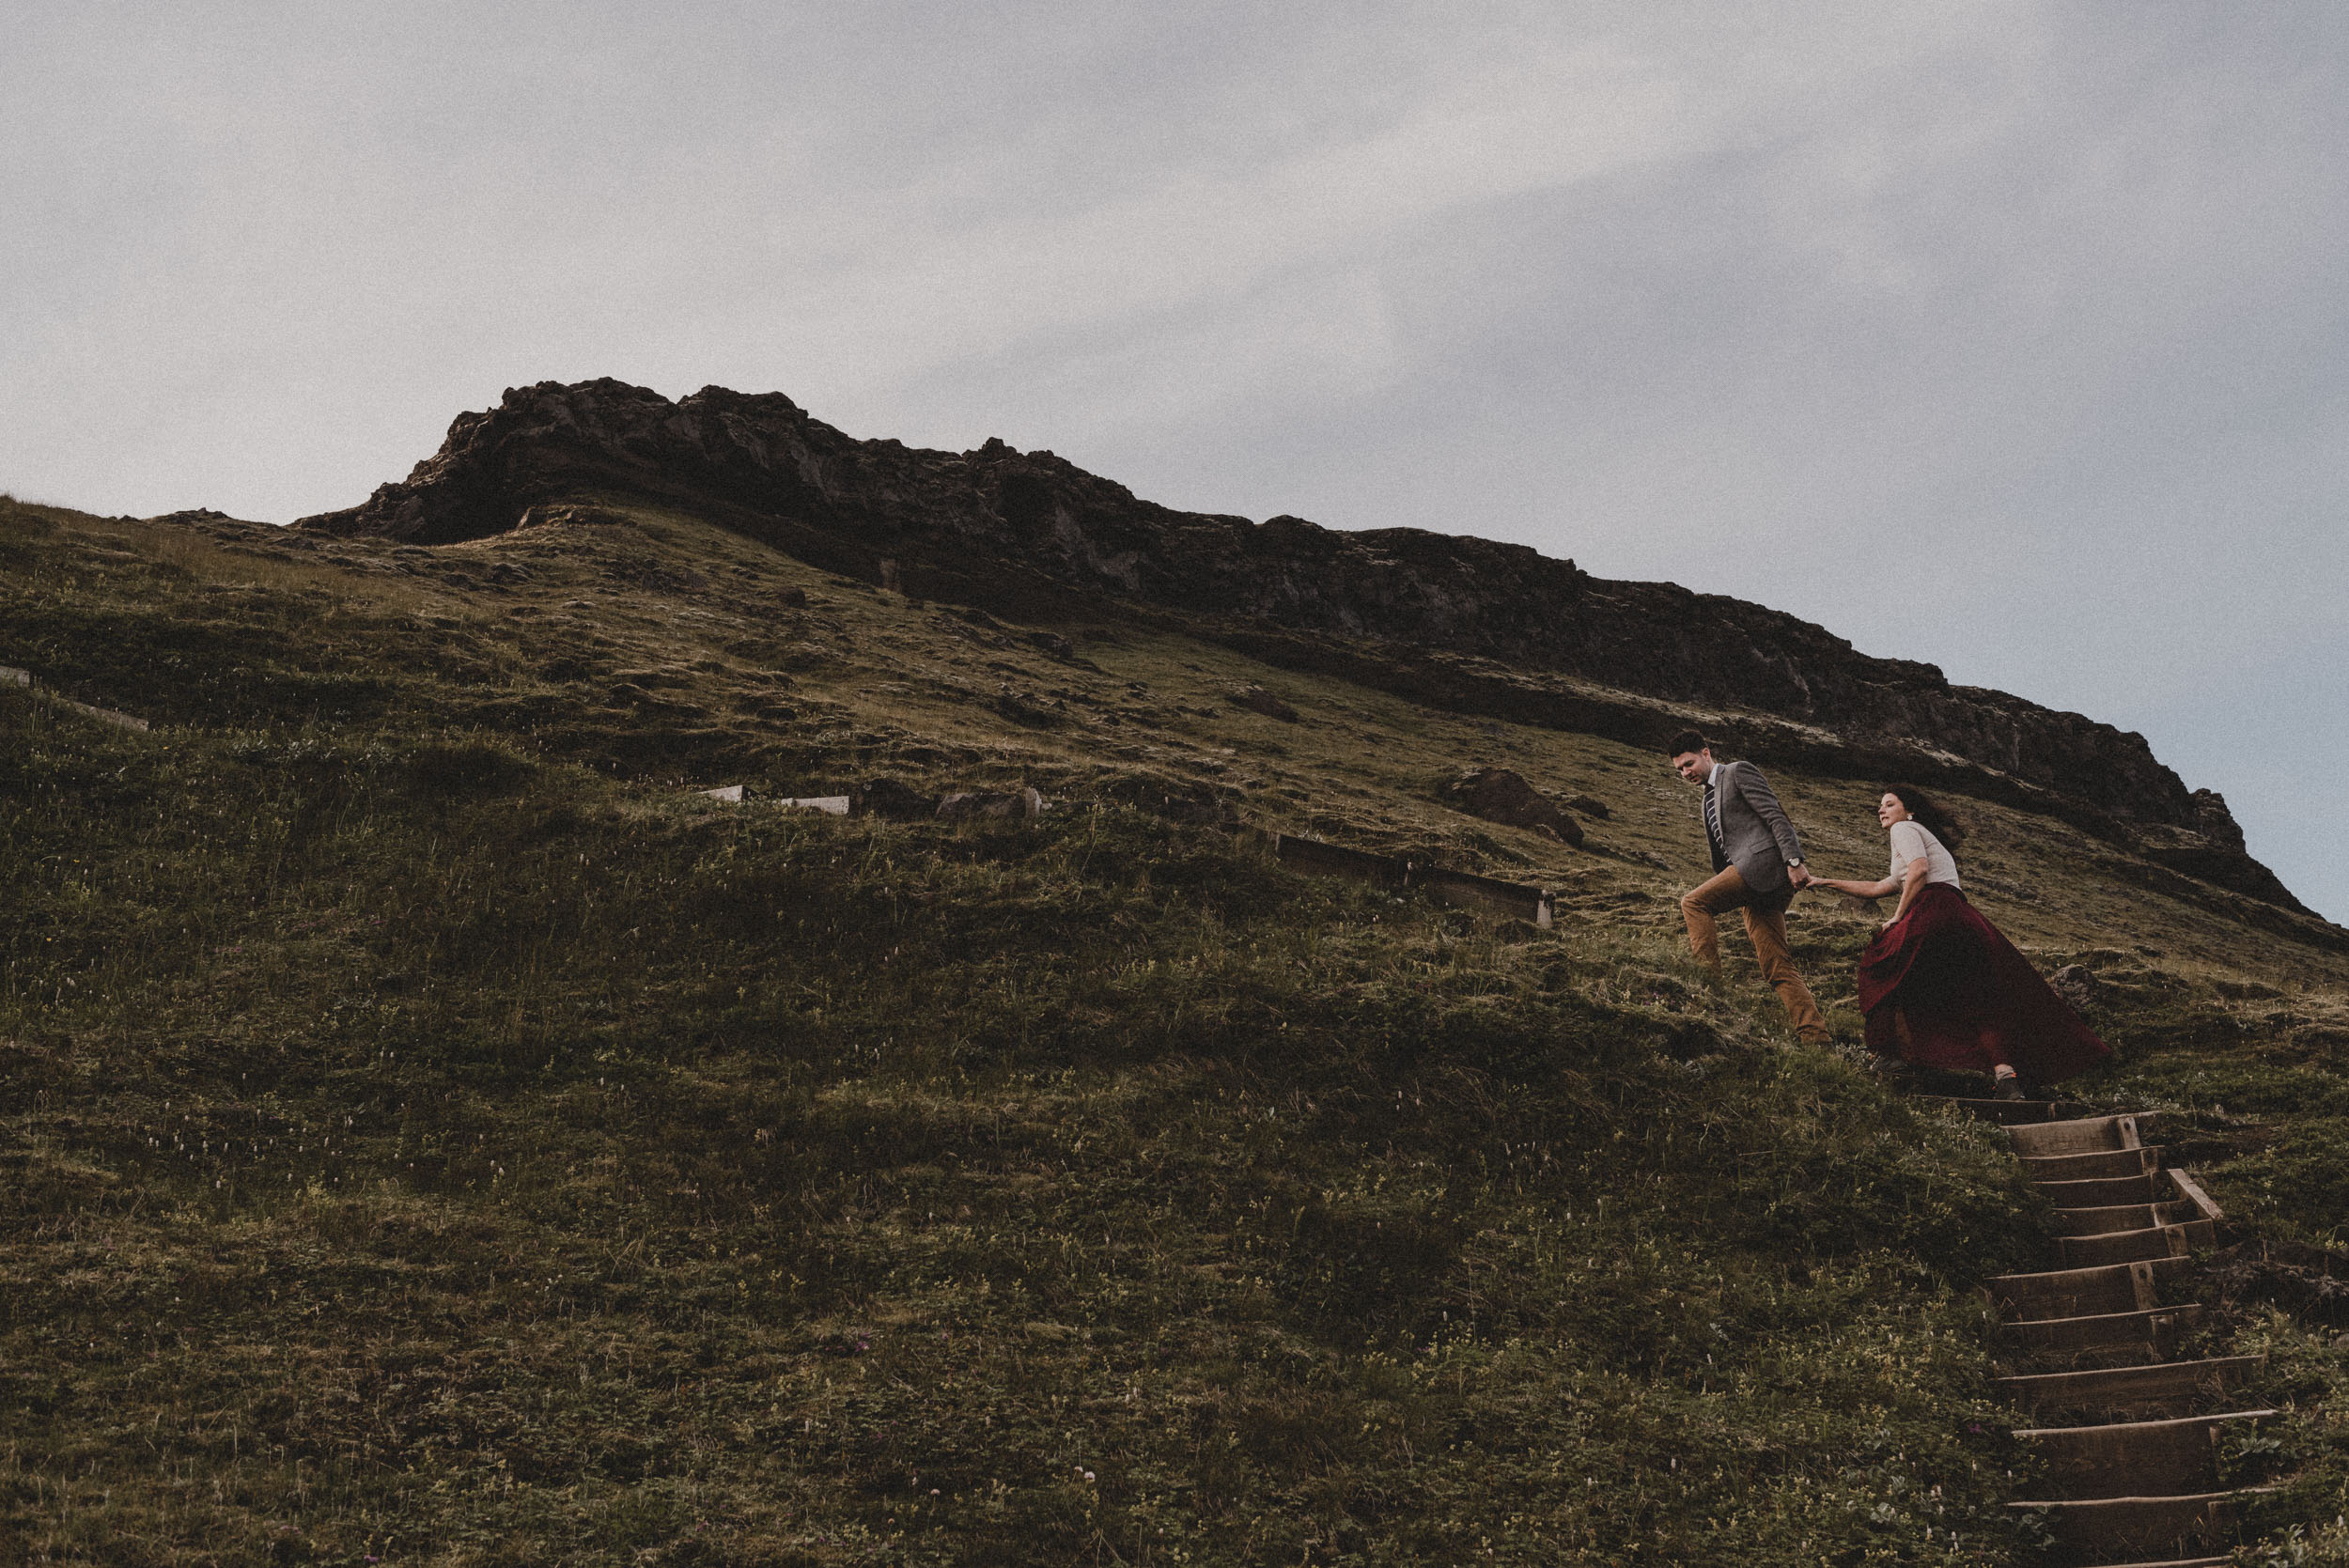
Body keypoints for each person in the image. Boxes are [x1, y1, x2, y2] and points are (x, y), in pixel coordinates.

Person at [1810, 785, 2110, 1097]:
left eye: (1889, 804)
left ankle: (1892, 1056)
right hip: (1963, 917)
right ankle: (2006, 1078)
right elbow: (1881, 886)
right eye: (1880, 806)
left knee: (1879, 964)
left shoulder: (1904, 828)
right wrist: (1824, 882)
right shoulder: (1920, 834)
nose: (1881, 810)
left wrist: (1898, 917)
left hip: (1934, 910)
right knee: (1974, 999)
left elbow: (1919, 871)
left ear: (1907, 810)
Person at [1666, 729, 1831, 1045]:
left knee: (1693, 903)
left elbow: (1775, 816)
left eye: (1688, 764)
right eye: (1679, 770)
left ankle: (1709, 991)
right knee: (1775, 965)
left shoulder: (1737, 772)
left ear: (1706, 753)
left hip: (1765, 866)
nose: (1686, 773)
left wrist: (1794, 861)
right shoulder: (1706, 800)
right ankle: (1817, 1039)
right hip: (1752, 884)